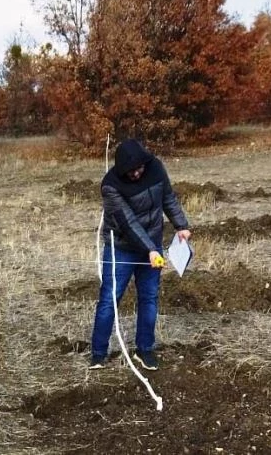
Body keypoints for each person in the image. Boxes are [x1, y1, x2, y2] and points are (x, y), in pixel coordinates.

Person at [90, 139, 191, 371]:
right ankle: (98, 353)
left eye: (139, 168)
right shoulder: (111, 186)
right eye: (130, 171)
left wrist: (180, 225)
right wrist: (151, 250)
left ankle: (145, 350)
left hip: (152, 243)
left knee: (149, 297)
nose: (136, 173)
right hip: (122, 247)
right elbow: (129, 223)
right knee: (109, 299)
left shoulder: (155, 167)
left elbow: (168, 197)